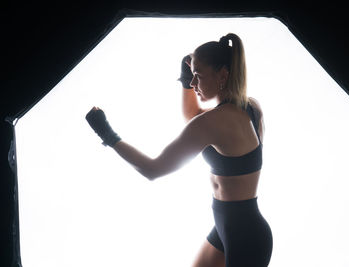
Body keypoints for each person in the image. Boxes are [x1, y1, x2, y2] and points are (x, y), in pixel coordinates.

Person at [86, 33, 273, 267]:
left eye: (198, 76)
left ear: (223, 75)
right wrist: (187, 79)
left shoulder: (214, 122)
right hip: (229, 228)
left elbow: (151, 169)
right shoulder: (250, 107)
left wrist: (107, 135)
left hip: (245, 240)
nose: (194, 84)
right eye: (192, 77)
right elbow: (193, 119)